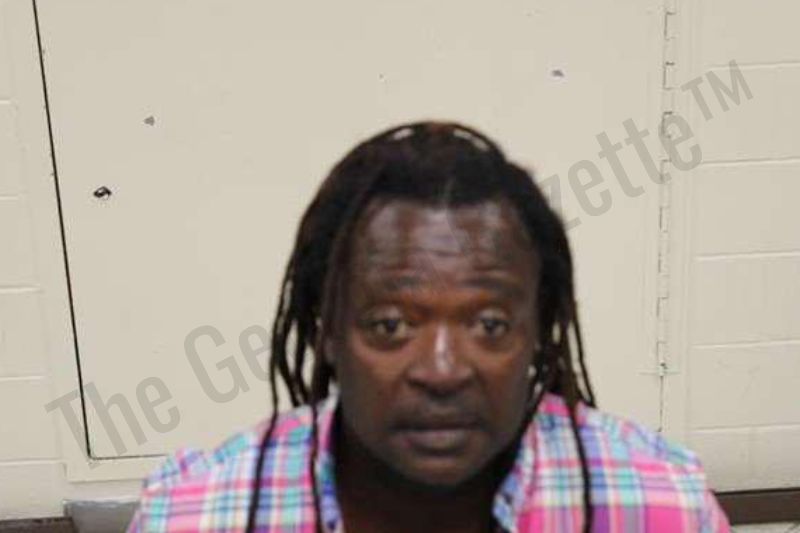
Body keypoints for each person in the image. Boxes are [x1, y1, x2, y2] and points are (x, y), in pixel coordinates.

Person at [127, 122, 729, 532]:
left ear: (537, 334)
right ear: (327, 333)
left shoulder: (661, 507)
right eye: (391, 325)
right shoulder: (198, 518)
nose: (443, 370)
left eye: (490, 324)